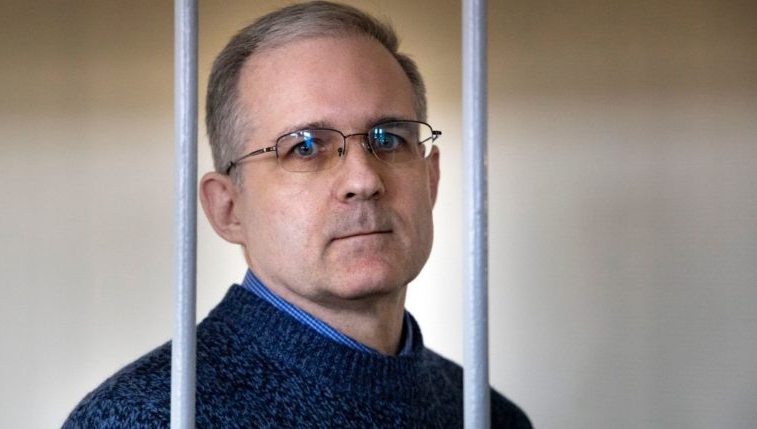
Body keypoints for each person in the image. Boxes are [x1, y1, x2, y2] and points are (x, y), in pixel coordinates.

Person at [63, 1, 532, 427]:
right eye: (306, 147)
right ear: (228, 208)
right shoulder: (148, 417)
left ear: (430, 180)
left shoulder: (489, 417)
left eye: (388, 138)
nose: (363, 180)